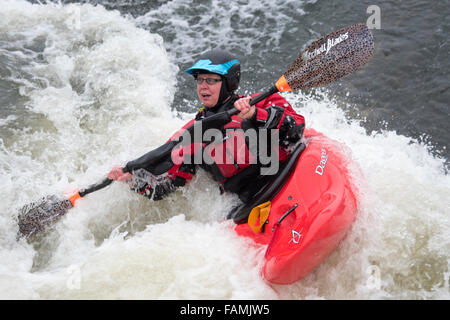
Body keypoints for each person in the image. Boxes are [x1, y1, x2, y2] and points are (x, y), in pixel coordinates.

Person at [108, 49, 305, 219]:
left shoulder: (258, 103)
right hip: (247, 203)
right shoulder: (194, 134)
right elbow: (165, 188)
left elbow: (296, 130)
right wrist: (132, 181)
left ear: (229, 82)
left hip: (287, 176)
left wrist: (256, 115)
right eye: (200, 80)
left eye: (211, 80)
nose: (203, 86)